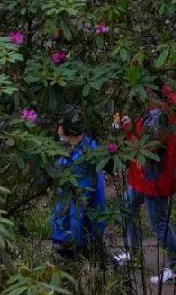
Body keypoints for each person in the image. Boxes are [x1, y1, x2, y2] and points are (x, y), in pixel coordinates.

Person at [113, 85, 176, 284]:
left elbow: (149, 146)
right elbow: (139, 137)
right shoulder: (150, 108)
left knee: (159, 223)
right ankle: (133, 253)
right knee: (127, 208)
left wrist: (129, 132)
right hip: (140, 177)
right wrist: (128, 128)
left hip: (155, 179)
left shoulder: (162, 114)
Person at [51, 108, 106, 261]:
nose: (58, 130)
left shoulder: (82, 160)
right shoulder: (82, 147)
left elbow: (79, 204)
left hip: (74, 234)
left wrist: (75, 240)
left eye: (60, 126)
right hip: (70, 228)